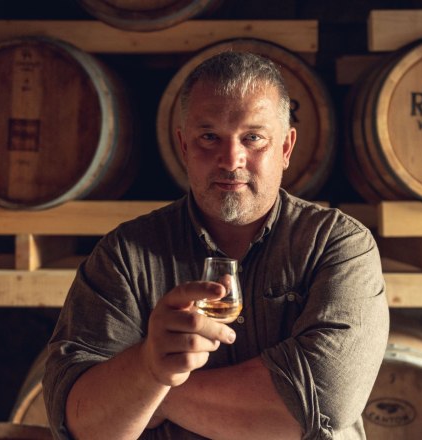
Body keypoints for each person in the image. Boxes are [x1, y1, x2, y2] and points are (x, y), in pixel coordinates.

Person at [43, 51, 389, 440]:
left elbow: (322, 404)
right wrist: (146, 366)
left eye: (253, 138)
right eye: (209, 137)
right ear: (184, 146)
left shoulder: (339, 245)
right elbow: (80, 424)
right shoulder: (125, 256)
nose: (230, 159)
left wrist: (152, 387)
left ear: (286, 147)